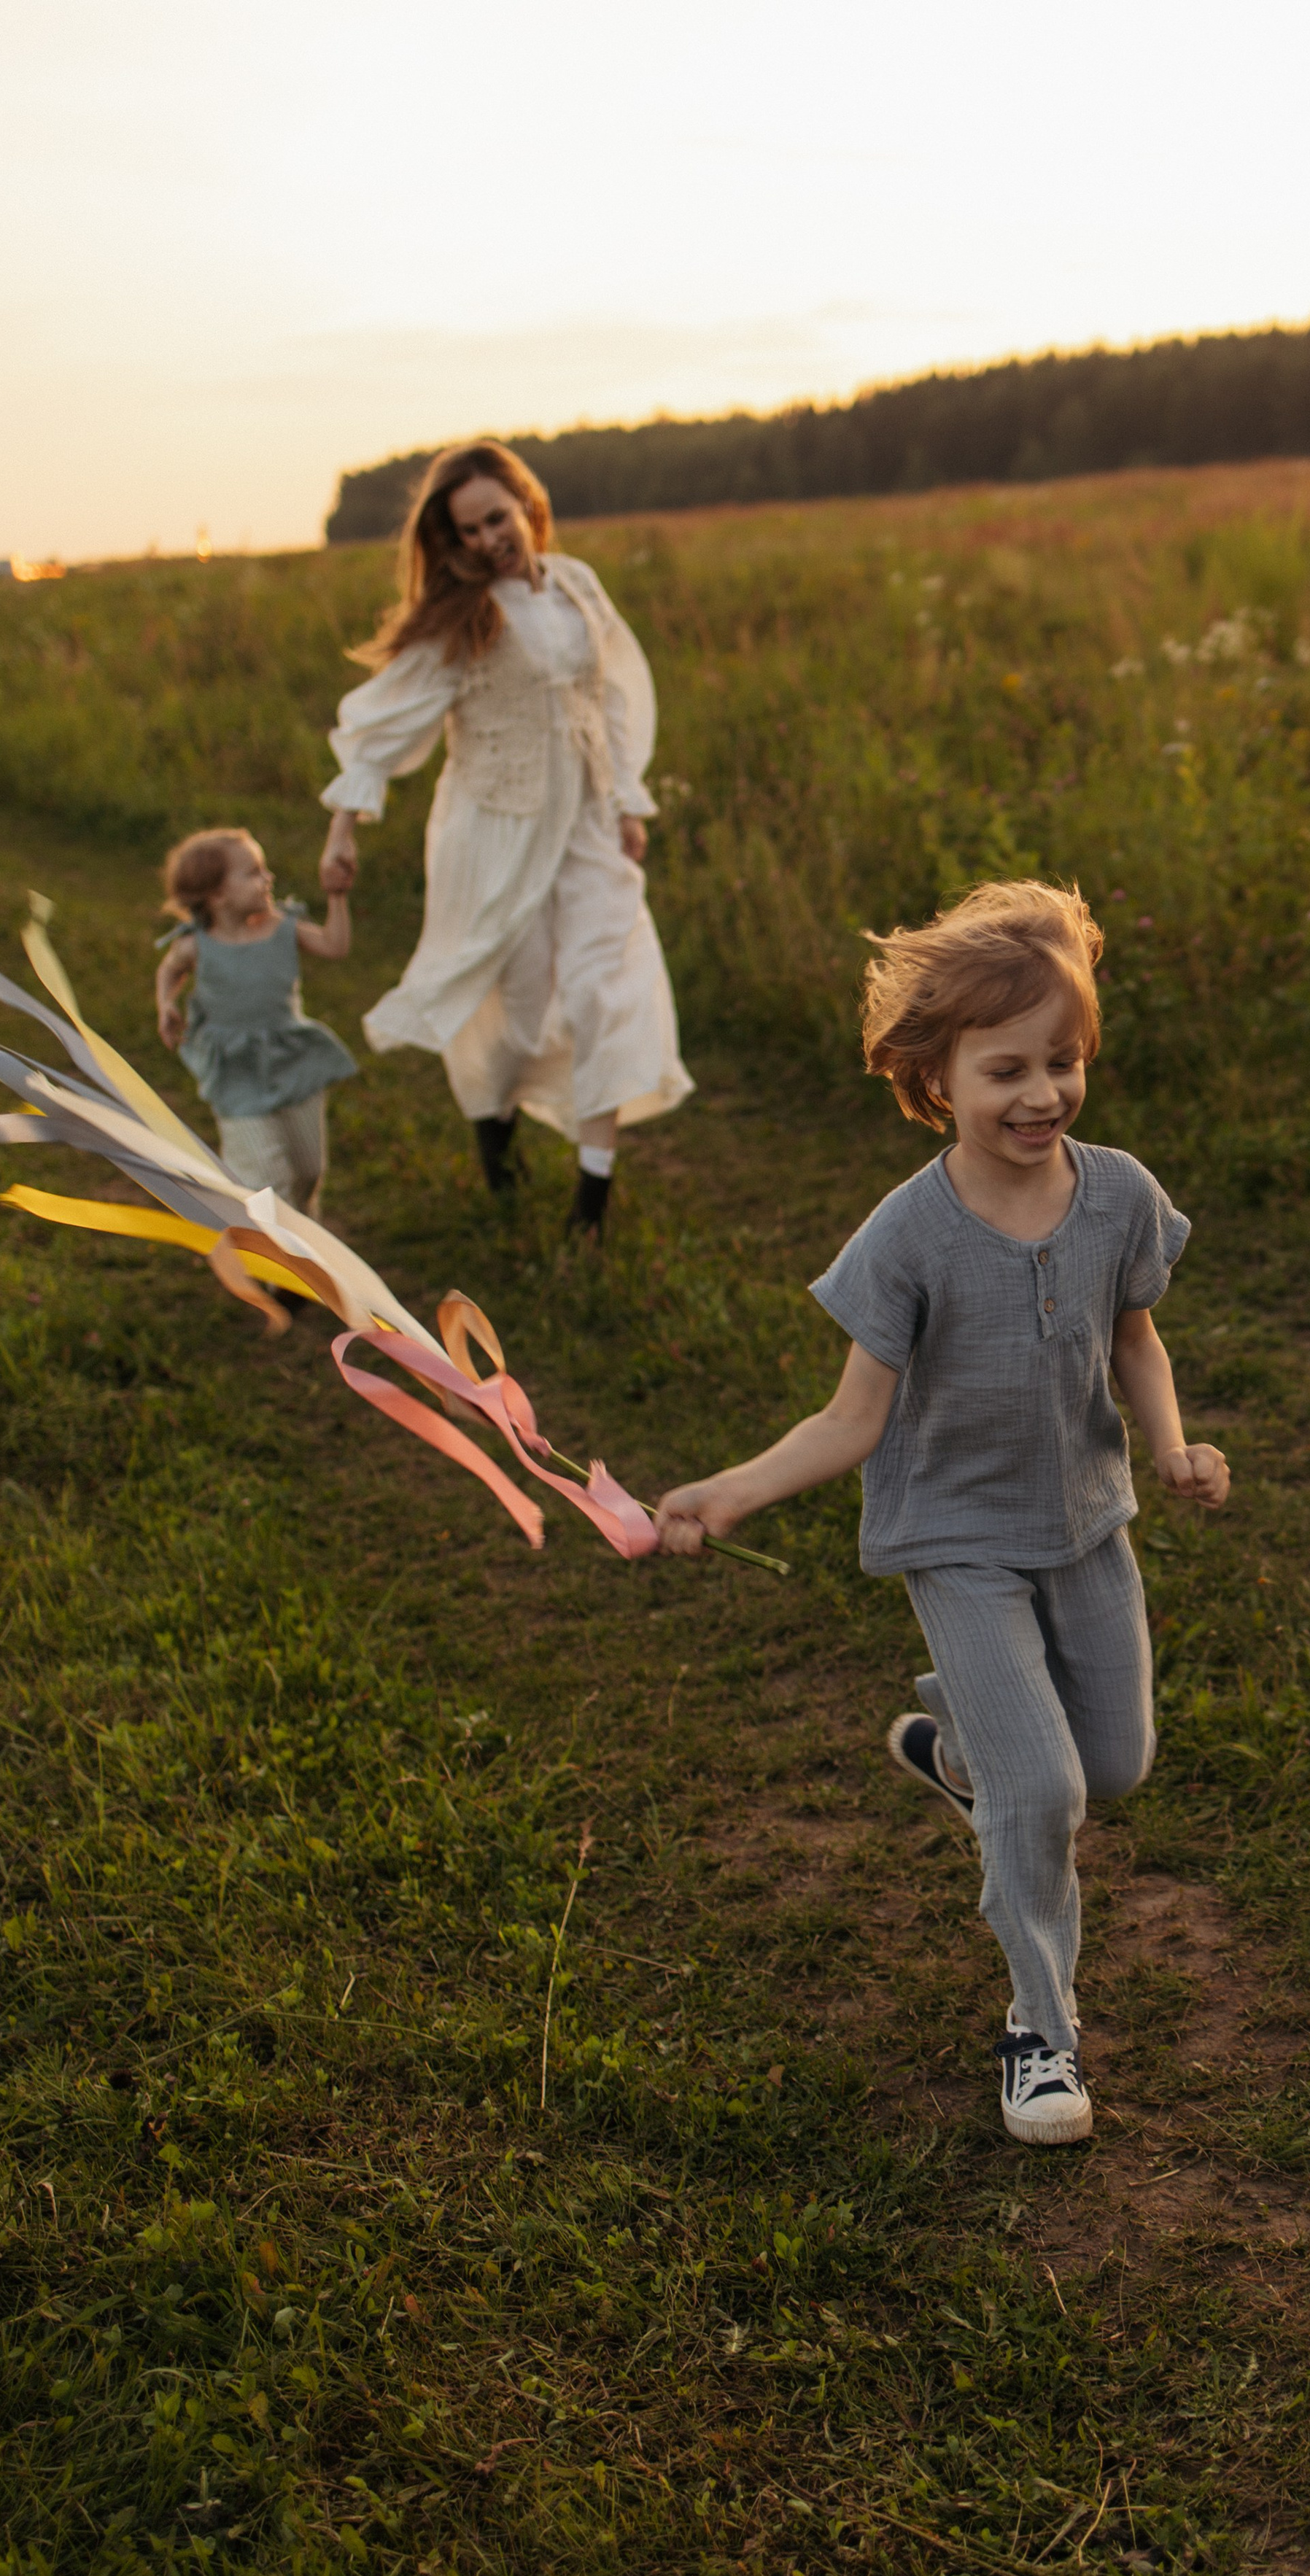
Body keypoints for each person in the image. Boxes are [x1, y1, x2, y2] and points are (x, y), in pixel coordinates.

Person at [653, 881, 1230, 2145]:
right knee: (1045, 1798)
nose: (1042, 1095)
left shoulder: (1120, 1194)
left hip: (1087, 1523)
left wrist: (1174, 1450)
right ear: (934, 1077)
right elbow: (851, 1420)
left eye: (1063, 1061)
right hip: (955, 1541)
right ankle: (1041, 2031)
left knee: (1112, 1767)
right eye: (1007, 1069)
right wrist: (731, 1493)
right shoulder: (907, 1237)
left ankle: (959, 1757)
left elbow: (1137, 1341)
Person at [318, 438, 692, 1236]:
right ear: (452, 544)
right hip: (495, 830)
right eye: (470, 531)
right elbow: (379, 726)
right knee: (516, 1012)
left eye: (498, 517)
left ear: (526, 504)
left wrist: (628, 801)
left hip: (588, 825)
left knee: (607, 992)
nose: (491, 539)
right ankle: (496, 1132)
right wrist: (342, 828)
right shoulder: (464, 618)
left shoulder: (576, 586)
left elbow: (615, 695)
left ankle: (590, 1204)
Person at [155, 827, 356, 1229]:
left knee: (308, 1170)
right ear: (217, 895)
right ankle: (280, 1270)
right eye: (253, 872)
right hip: (236, 1069)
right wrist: (166, 1004)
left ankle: (303, 1228)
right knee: (264, 1175)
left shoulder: (283, 928)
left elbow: (335, 946)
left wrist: (337, 896)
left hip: (291, 1059)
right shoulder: (196, 944)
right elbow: (170, 969)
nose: (268, 879)